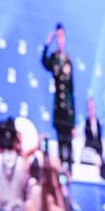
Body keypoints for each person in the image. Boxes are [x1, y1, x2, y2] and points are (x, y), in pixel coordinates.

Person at [41, 23, 76, 167]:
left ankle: (70, 172)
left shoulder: (68, 60)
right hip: (58, 109)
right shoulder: (54, 58)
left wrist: (73, 121)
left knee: (69, 145)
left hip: (68, 110)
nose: (60, 39)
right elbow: (44, 62)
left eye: (62, 36)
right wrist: (46, 45)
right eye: (58, 36)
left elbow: (71, 90)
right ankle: (61, 171)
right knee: (61, 143)